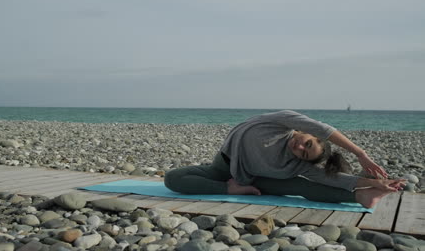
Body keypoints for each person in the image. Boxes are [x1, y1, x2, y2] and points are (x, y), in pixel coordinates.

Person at [164, 110, 405, 208]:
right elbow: (324, 128)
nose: (299, 147)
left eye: (303, 152)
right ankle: (229, 188)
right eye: (307, 143)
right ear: (308, 133)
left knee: (300, 186)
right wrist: (361, 154)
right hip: (222, 168)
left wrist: (371, 183)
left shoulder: (296, 163)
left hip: (256, 182)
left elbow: (330, 178)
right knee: (173, 178)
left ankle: (361, 197)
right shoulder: (280, 122)